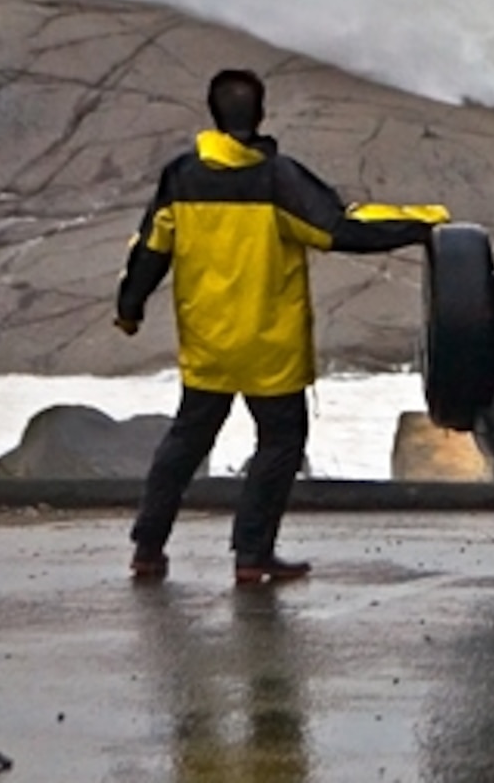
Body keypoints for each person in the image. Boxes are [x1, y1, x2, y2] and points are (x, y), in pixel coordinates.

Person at [114, 68, 440, 585]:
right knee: (281, 440)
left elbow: (150, 249)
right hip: (270, 347)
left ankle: (148, 547)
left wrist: (128, 309)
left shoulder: (181, 176)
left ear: (214, 114)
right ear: (260, 114)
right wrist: (424, 222)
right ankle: (252, 554)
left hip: (210, 342)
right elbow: (339, 228)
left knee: (186, 441)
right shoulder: (277, 177)